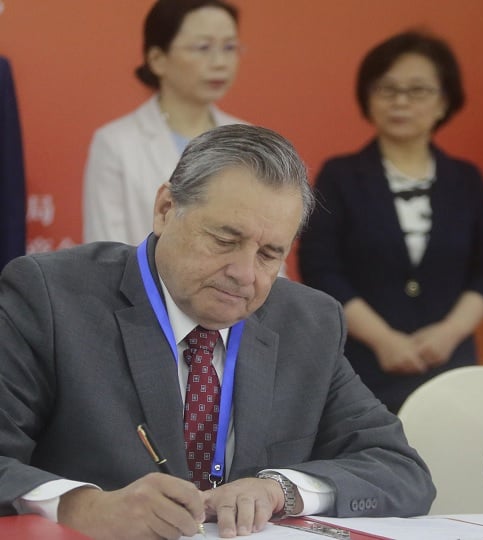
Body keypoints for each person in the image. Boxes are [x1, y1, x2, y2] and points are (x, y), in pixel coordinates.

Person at [0, 124, 435, 539]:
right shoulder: (51, 296)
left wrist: (279, 490)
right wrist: (83, 509)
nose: (244, 275)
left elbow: (399, 471)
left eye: (269, 254)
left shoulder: (308, 322)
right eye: (225, 240)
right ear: (166, 210)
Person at [297, 30, 483, 413]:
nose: (400, 102)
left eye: (418, 90)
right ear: (368, 98)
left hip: (450, 366)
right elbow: (320, 268)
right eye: (387, 89)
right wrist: (383, 340)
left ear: (444, 102)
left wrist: (449, 334)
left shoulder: (466, 179)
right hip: (360, 368)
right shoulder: (340, 176)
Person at [83, 0, 245, 245]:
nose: (221, 62)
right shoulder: (115, 143)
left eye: (230, 47)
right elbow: (104, 253)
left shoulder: (247, 139)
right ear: (157, 59)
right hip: (142, 283)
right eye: (203, 47)